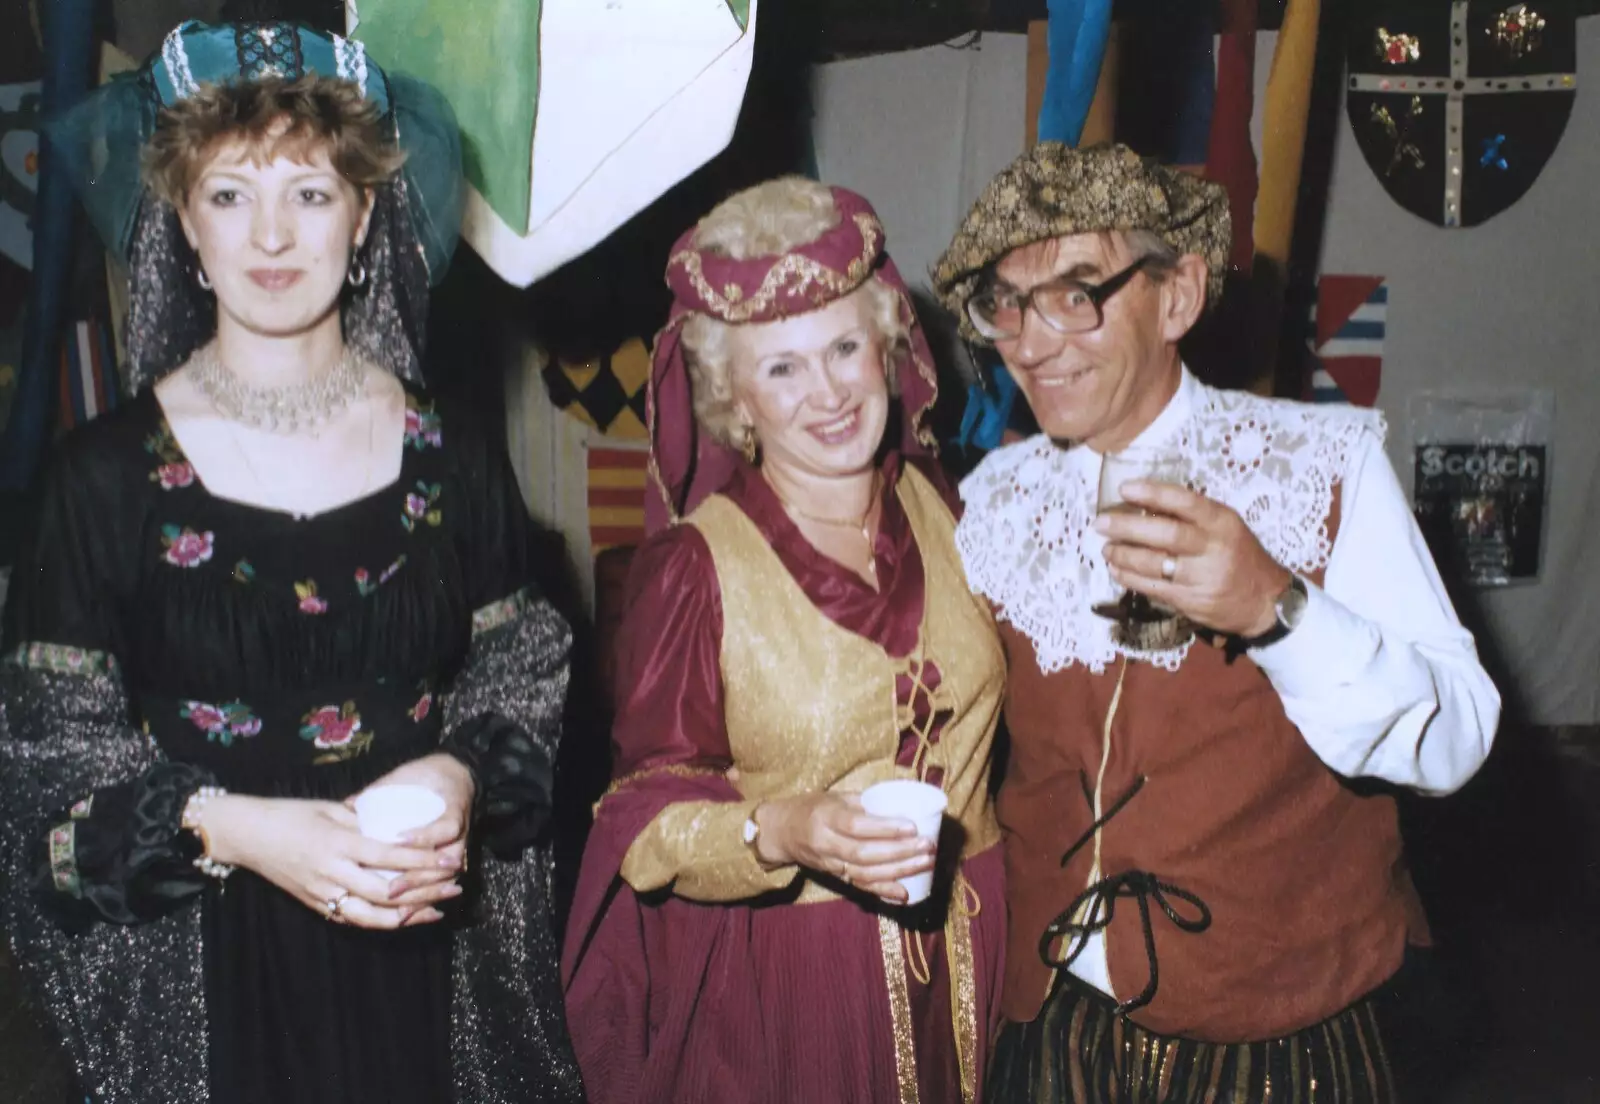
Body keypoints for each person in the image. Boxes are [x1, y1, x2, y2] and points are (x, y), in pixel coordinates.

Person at [0, 21, 584, 1104]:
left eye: (310, 194)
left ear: (366, 216)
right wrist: (237, 825)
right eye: (229, 194)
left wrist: (456, 773)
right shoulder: (98, 484)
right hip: (212, 970)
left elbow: (527, 685)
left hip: (426, 961)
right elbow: (42, 801)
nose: (271, 234)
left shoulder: (454, 450)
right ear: (181, 219)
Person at [929, 142, 1501, 1102]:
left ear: (1180, 295)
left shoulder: (1318, 466)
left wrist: (1275, 610)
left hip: (1277, 1031)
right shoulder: (993, 498)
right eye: (1007, 304)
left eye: (1078, 294)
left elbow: (1458, 735)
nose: (1030, 343)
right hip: (1053, 1020)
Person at [562, 177, 1007, 1103]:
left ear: (887, 345)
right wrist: (779, 830)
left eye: (845, 347)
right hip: (797, 991)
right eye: (783, 369)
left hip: (981, 953)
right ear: (733, 399)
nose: (830, 393)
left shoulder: (945, 509)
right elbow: (641, 822)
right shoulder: (697, 568)